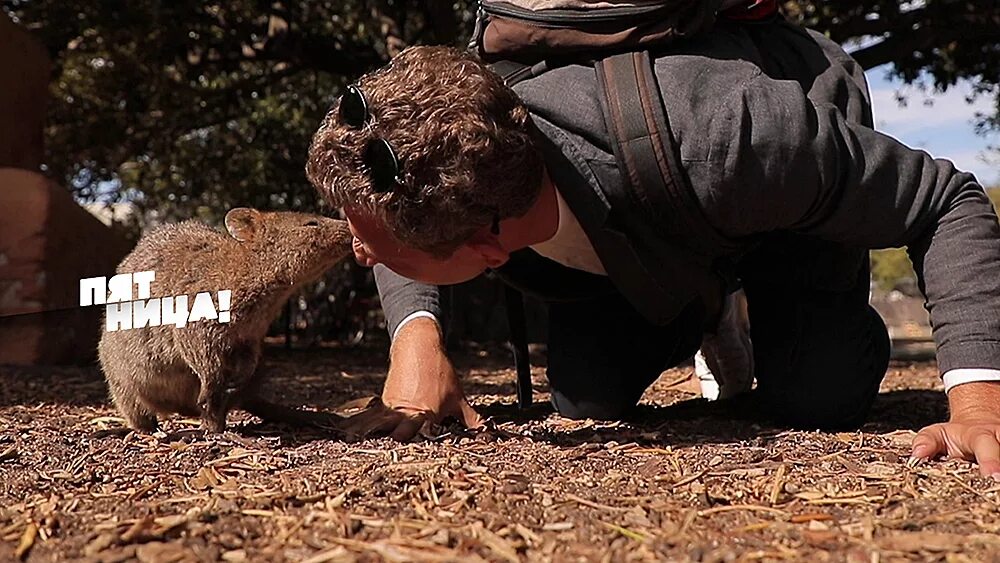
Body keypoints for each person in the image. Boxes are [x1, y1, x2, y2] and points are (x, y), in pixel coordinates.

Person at [305, 11, 1000, 478]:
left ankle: (749, 296)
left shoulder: (733, 137)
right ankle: (707, 306)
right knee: (585, 399)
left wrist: (978, 402)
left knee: (822, 391)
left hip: (771, 194)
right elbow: (393, 210)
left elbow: (946, 199)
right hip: (645, 226)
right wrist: (417, 338)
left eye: (376, 251)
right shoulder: (463, 131)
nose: (362, 254)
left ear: (491, 251)